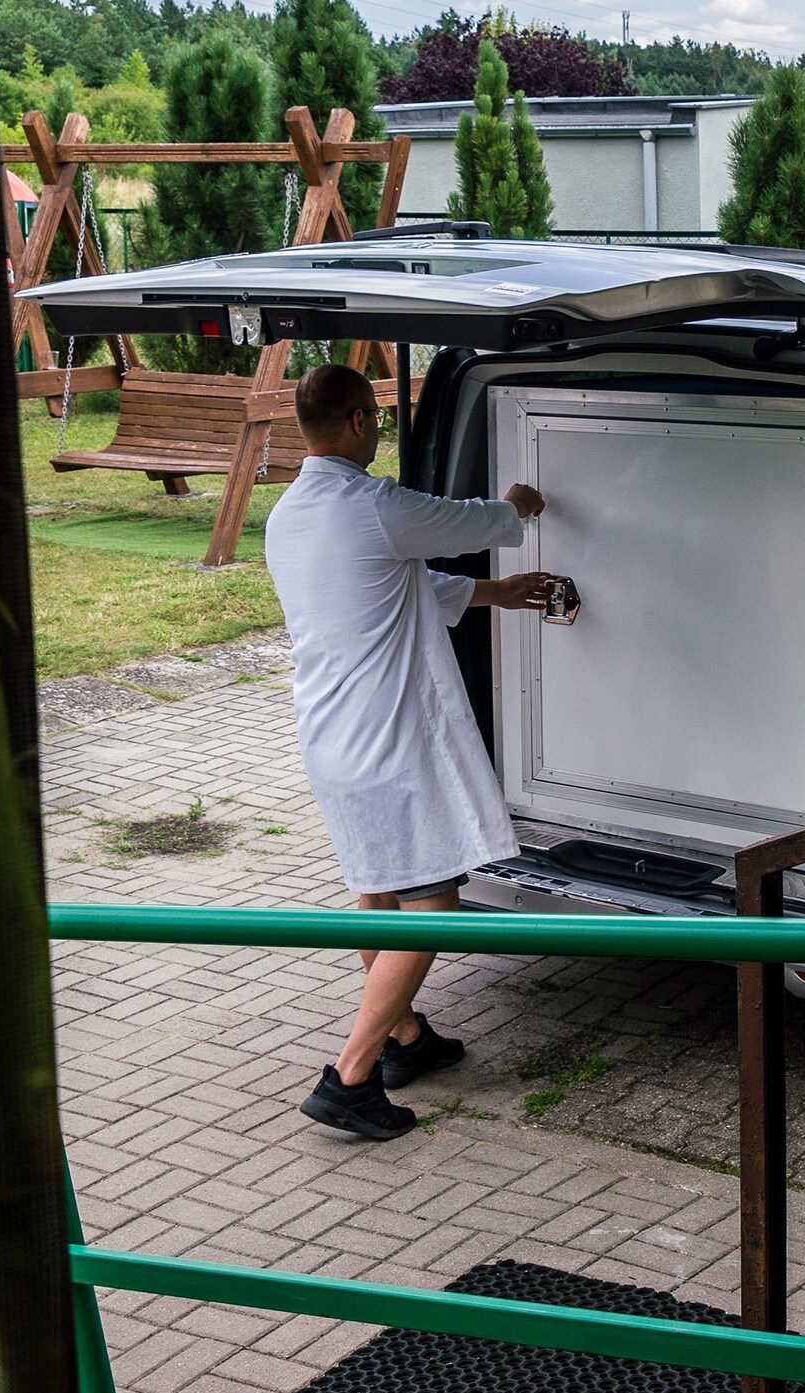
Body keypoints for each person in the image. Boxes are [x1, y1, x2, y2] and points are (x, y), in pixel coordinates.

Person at [266, 363, 552, 1140]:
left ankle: (406, 1038)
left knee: (376, 886)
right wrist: (517, 506)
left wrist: (498, 594)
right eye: (377, 418)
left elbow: (391, 591)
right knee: (431, 905)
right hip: (388, 740)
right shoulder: (374, 504)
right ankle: (351, 1075)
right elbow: (464, 522)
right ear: (360, 421)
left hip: (328, 734)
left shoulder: (289, 513)